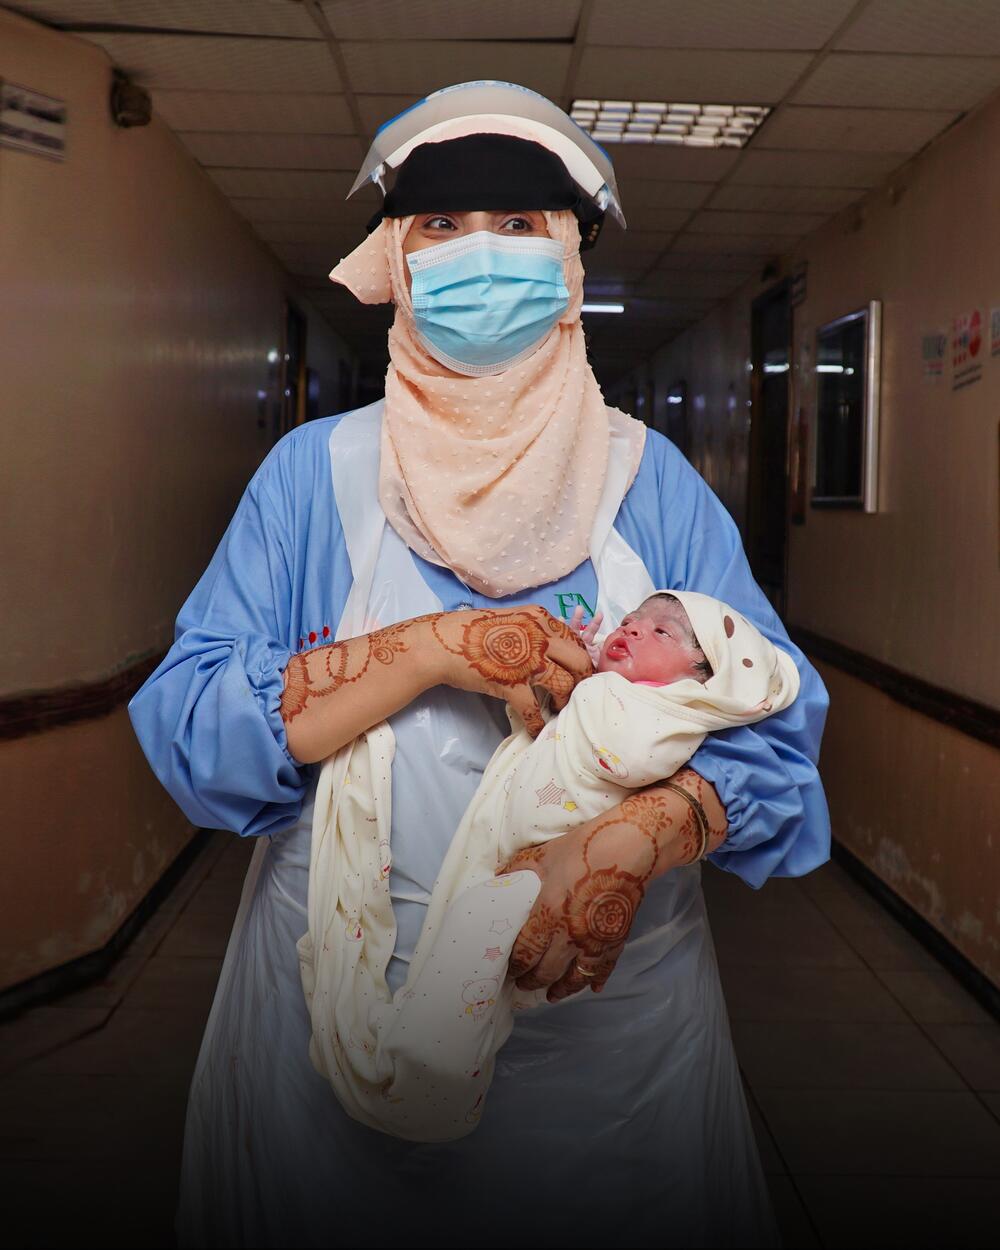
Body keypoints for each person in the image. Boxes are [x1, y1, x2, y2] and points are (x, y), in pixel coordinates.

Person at [128, 82, 831, 1249]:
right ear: (394, 257)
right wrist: (425, 649)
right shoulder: (319, 476)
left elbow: (773, 720)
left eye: (519, 226)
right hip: (331, 1019)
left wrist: (634, 837)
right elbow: (195, 726)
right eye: (441, 228)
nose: (480, 257)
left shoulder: (652, 484)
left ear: (569, 260)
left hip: (603, 1047)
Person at [298, 589, 801, 1145]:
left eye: (663, 634)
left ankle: (437, 1068)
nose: (634, 629)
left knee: (478, 935)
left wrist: (597, 697)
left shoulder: (669, 714)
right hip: (500, 838)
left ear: (703, 678)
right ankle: (422, 1047)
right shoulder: (616, 690)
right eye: (632, 620)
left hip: (556, 876)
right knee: (462, 932)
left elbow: (631, 758)